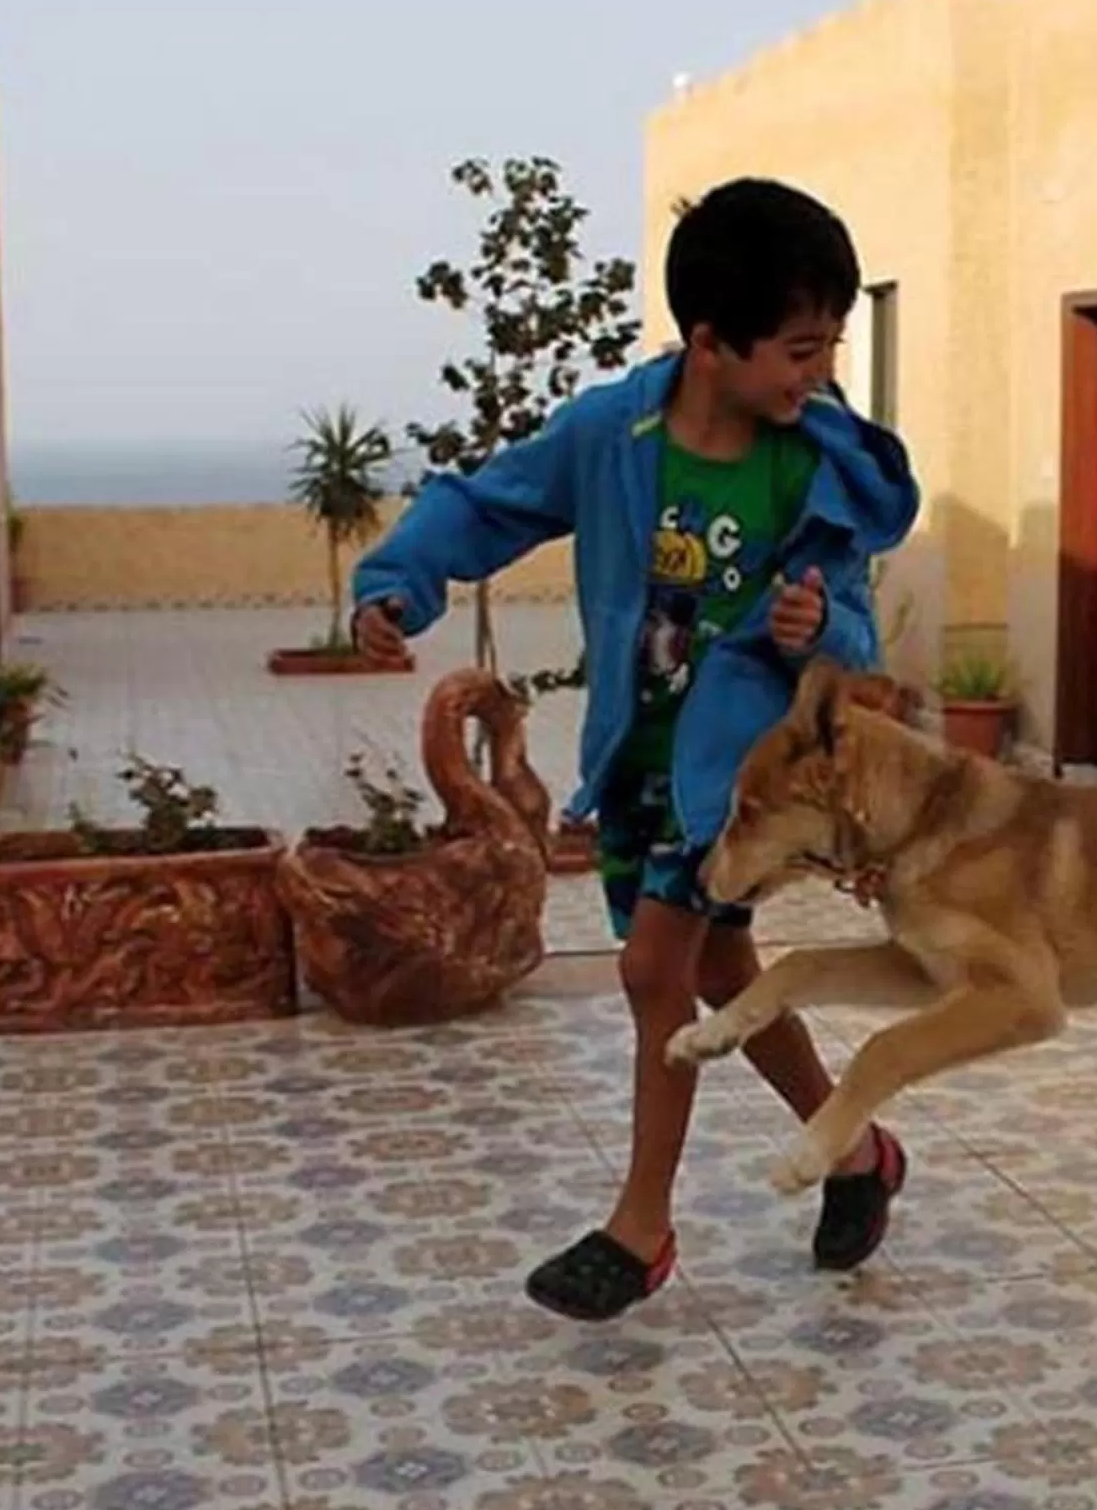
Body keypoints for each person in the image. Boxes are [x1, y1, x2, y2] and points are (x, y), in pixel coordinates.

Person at [350, 176, 919, 1321]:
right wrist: (398, 581)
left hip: (737, 778)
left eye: (831, 346)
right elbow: (488, 501)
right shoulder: (615, 436)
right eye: (799, 350)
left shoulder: (812, 465)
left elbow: (852, 627)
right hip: (637, 758)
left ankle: (641, 1228)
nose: (820, 374)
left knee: (654, 970)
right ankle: (858, 1150)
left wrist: (818, 628)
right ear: (709, 343)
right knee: (719, 975)